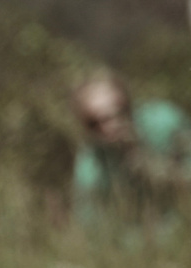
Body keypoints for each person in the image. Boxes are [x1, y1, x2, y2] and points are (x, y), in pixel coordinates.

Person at [72, 68, 190, 221]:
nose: (108, 127)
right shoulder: (91, 166)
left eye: (115, 113)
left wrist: (161, 171)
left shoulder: (164, 121)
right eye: (94, 123)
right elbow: (90, 222)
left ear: (127, 104)